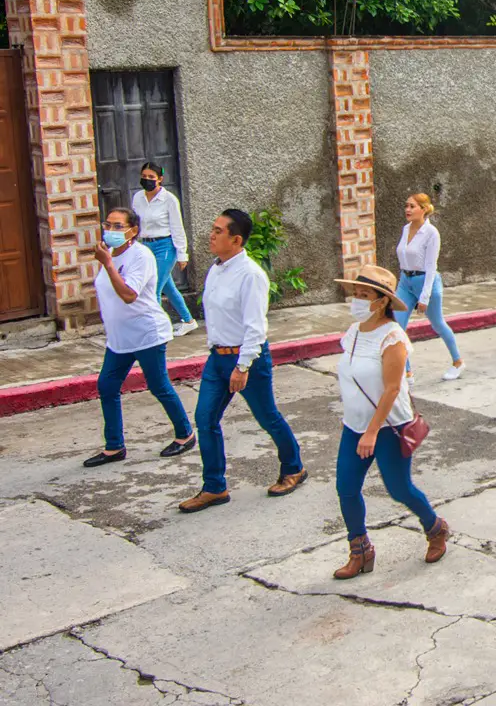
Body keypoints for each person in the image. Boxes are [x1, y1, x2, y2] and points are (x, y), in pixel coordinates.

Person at [180, 209, 306, 513]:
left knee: (267, 416)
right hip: (218, 359)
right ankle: (214, 487)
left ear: (236, 239)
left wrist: (243, 365)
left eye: (219, 231)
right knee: (205, 419)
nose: (211, 235)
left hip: (247, 358)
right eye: (213, 228)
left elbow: (255, 326)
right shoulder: (216, 269)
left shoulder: (250, 275)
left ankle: (293, 467)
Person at [331, 265, 450, 579]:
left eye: (364, 295)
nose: (356, 299)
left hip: (386, 430)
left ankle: (436, 528)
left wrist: (371, 432)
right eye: (355, 293)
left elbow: (393, 388)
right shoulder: (354, 333)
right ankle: (360, 550)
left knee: (399, 489)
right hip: (353, 425)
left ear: (381, 301)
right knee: (346, 487)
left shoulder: (393, 337)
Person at [83, 207, 195, 468]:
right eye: (108, 225)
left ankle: (185, 434)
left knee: (159, 386)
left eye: (118, 226)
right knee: (107, 386)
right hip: (120, 339)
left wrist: (108, 265)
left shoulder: (140, 256)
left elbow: (129, 295)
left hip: (146, 334)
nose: (110, 231)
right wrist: (108, 262)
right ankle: (114, 446)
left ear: (133, 231)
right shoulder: (110, 254)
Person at [393, 194, 464, 384]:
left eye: (412, 206)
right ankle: (406, 372)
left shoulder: (432, 233)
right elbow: (404, 258)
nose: (407, 210)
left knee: (438, 323)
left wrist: (424, 298)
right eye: (406, 206)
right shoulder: (405, 229)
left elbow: (431, 267)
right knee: (397, 326)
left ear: (424, 209)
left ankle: (457, 362)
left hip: (426, 281)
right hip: (405, 282)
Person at [131, 162, 198, 336]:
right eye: (144, 177)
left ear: (160, 179)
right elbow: (135, 224)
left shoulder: (169, 200)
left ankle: (156, 328)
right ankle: (189, 320)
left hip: (165, 247)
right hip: (145, 245)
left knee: (153, 288)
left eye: (151, 178)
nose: (147, 180)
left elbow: (177, 227)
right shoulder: (138, 197)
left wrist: (182, 254)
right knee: (168, 287)